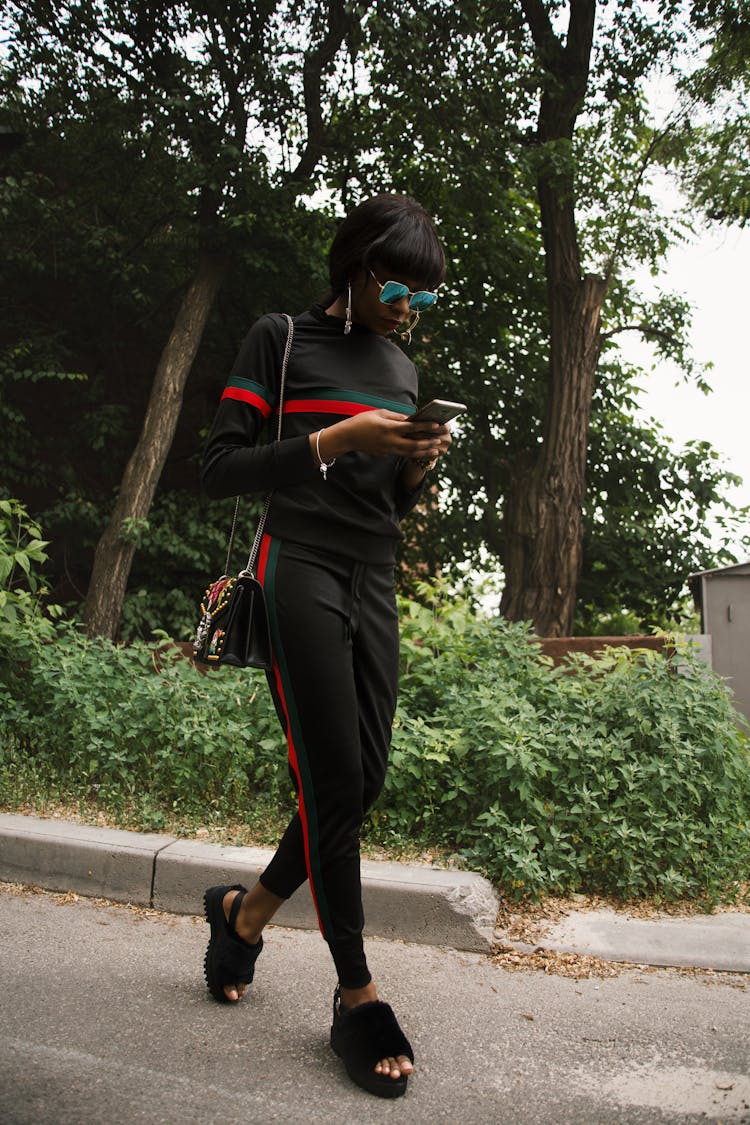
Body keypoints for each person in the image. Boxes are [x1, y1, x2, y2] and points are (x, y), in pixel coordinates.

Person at [200, 193, 452, 1099]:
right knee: (333, 781)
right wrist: (335, 438)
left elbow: (386, 505)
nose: (406, 307)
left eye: (423, 296)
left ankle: (245, 912)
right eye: (396, 285)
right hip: (294, 559)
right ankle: (356, 994)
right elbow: (219, 467)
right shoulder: (279, 338)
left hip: (372, 570)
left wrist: (414, 467)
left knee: (365, 777)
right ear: (353, 264)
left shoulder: (402, 366)